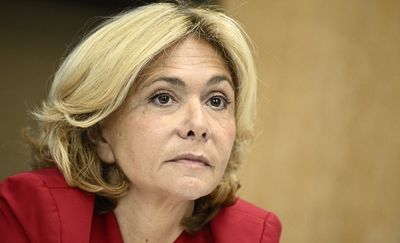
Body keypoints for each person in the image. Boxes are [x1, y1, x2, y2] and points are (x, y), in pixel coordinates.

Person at [0, 2, 281, 243]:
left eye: (217, 100)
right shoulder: (33, 213)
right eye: (163, 98)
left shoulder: (249, 234)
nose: (199, 124)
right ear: (99, 133)